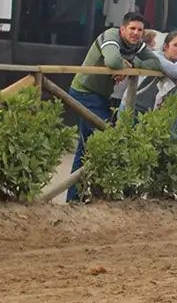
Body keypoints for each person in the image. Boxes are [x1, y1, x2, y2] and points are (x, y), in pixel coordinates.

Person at [66, 12, 163, 202]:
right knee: (108, 138)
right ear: (122, 28)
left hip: (102, 97)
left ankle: (75, 198)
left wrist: (129, 65)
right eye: (132, 29)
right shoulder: (111, 36)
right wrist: (121, 65)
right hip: (84, 92)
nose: (135, 33)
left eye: (139, 30)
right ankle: (97, 195)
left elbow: (155, 63)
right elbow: (111, 60)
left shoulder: (137, 45)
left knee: (86, 146)